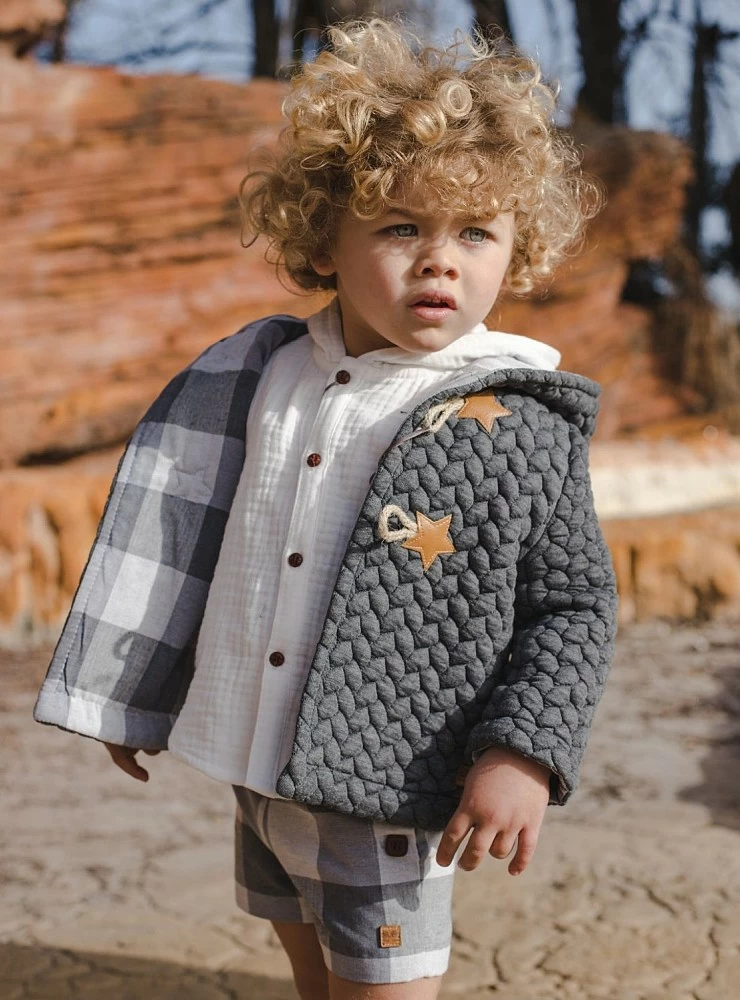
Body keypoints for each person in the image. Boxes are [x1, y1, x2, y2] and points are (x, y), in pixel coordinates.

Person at [33, 17, 618, 1000]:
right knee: (307, 964)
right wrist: (133, 683)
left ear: (517, 250)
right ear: (324, 239)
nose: (439, 260)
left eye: (475, 232)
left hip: (390, 783)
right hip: (256, 763)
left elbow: (574, 606)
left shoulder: (521, 420)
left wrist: (523, 753)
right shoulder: (260, 376)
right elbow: (184, 530)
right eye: (401, 227)